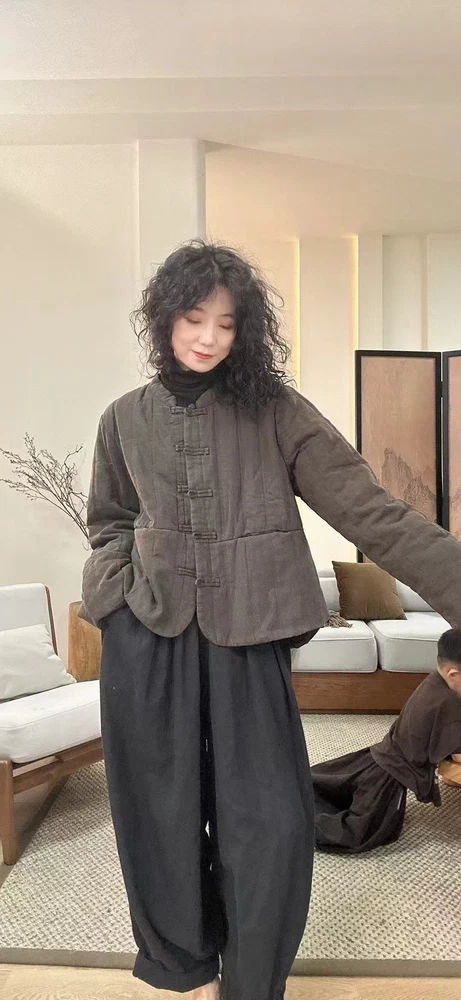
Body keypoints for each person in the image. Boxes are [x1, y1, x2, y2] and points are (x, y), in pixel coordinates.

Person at [80, 240, 461, 1000]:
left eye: (226, 325)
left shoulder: (276, 411)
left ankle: (251, 983)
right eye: (194, 318)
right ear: (164, 316)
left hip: (248, 637)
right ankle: (186, 967)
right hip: (147, 638)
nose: (208, 338)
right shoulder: (123, 418)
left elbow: (371, 511)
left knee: (272, 821)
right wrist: (114, 594)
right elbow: (109, 521)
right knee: (158, 814)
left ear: (245, 330)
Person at [312, 628, 461, 855]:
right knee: (360, 833)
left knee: (328, 784)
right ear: (453, 674)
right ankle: (291, 824)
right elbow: (457, 757)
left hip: (379, 756)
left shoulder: (434, 681)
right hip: (391, 774)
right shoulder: (449, 704)